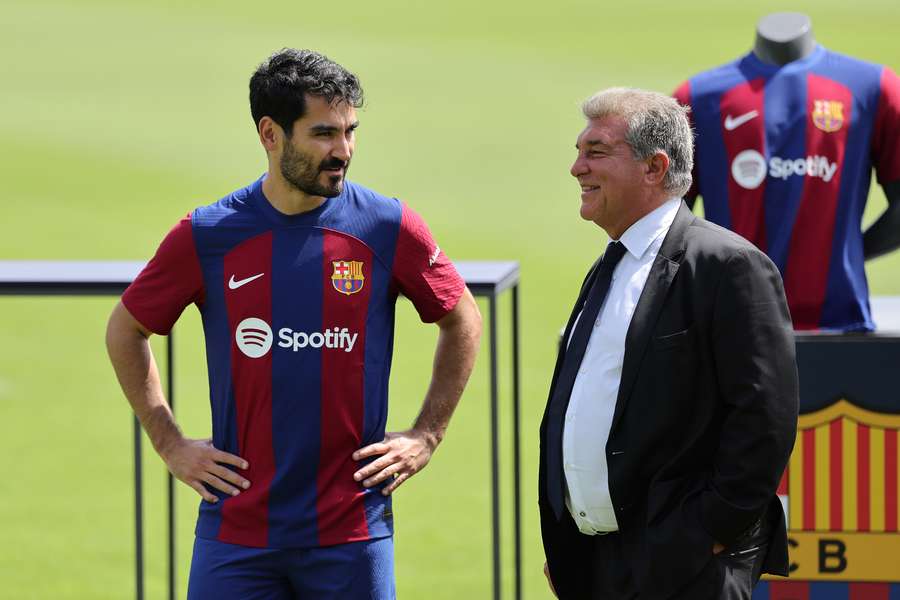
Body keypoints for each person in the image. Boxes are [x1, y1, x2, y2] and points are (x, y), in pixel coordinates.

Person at [105, 48, 482, 600]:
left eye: (351, 132)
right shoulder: (209, 233)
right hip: (237, 533)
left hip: (352, 531)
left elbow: (461, 318)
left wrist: (427, 434)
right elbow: (125, 330)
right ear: (270, 133)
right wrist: (171, 443)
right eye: (324, 133)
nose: (343, 151)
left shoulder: (386, 225)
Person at [538, 87, 799, 599]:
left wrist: (708, 531)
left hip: (682, 566)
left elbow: (765, 418)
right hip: (596, 562)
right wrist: (575, 530)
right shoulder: (611, 264)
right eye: (578, 151)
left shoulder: (729, 266)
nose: (576, 168)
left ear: (654, 167)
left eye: (595, 152)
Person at [673, 12, 900, 332]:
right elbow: (666, 219)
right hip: (730, 327)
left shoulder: (874, 88)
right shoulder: (695, 99)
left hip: (837, 323)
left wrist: (847, 255)